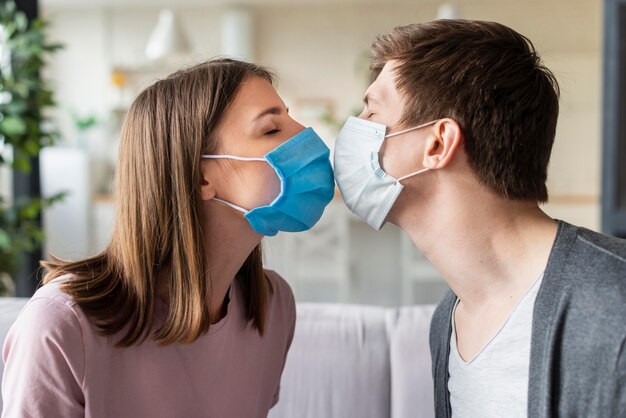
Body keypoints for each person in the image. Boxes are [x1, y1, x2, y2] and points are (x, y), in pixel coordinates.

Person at [2, 58, 335, 418]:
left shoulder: (273, 307)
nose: (303, 135)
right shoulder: (61, 327)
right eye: (272, 129)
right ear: (200, 177)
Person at [333, 19, 626, 417]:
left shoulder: (613, 302)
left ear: (437, 144)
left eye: (371, 112)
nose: (354, 131)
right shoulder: (449, 320)